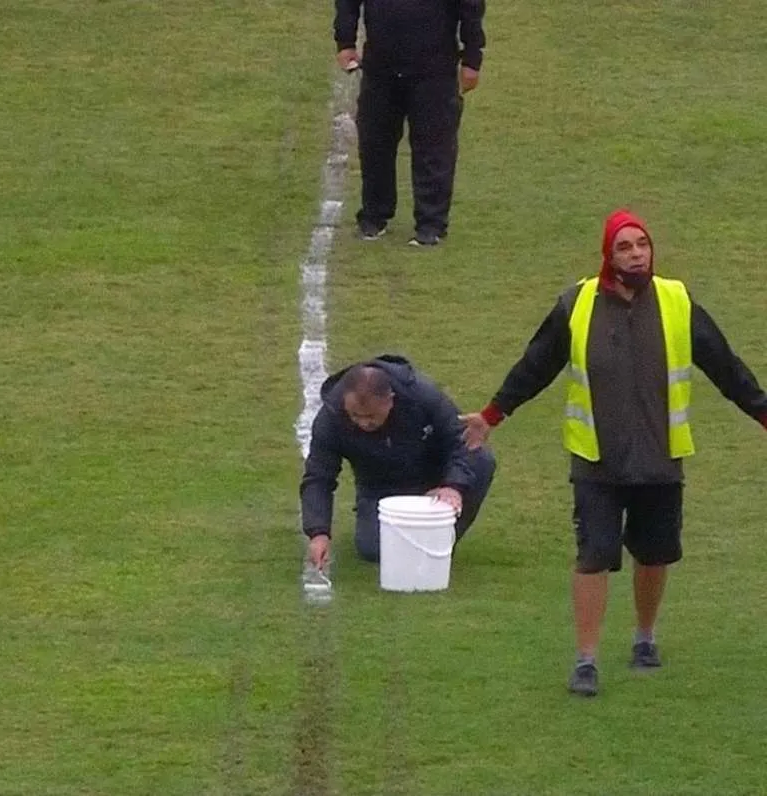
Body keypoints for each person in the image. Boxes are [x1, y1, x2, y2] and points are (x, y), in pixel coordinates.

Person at [461, 209, 767, 697]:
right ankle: (586, 660)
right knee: (593, 555)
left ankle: (644, 637)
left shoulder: (677, 301)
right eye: (624, 247)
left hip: (660, 457)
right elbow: (536, 364)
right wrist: (493, 414)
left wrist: (762, 412)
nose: (636, 254)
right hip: (596, 461)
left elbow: (724, 365)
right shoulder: (577, 304)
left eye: (641, 245)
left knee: (655, 553)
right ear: (609, 254)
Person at [301, 354, 496, 568]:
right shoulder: (331, 418)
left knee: (482, 460)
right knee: (374, 549)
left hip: (436, 476)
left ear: (390, 400)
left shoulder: (423, 396)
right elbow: (318, 476)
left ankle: (442, 540)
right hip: (379, 487)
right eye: (355, 416)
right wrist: (318, 532)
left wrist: (453, 485)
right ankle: (416, 537)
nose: (364, 423)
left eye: (371, 416)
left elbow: (462, 440)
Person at [333, 0, 486, 247]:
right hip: (380, 65)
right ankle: (374, 216)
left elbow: (470, 6)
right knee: (375, 143)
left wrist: (472, 57)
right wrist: (345, 41)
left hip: (434, 67)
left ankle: (431, 224)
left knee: (434, 146)